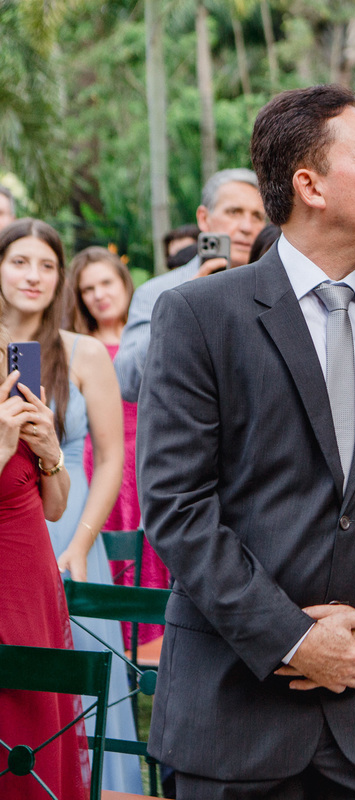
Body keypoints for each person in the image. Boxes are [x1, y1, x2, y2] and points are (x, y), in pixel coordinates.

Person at [138, 85, 355, 798]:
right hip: (235, 715)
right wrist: (293, 638)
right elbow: (176, 506)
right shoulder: (198, 316)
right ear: (309, 185)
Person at [0, 219, 140, 794]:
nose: (33, 276)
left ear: (61, 279)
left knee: (69, 693)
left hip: (64, 529)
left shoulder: (81, 352)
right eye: (19, 261)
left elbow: (109, 460)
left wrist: (81, 542)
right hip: (18, 534)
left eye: (47, 265)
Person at [66, 247, 167, 644]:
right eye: (87, 288)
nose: (98, 294)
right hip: (99, 465)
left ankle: (154, 641)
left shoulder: (146, 333)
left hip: (146, 460)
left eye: (105, 282)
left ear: (125, 283)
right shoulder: (77, 345)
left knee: (150, 556)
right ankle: (109, 639)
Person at [0, 337, 85, 800]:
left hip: (37, 604)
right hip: (4, 605)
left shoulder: (15, 407)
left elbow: (54, 509)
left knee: (39, 741)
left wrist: (50, 451)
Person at [114, 168, 267, 402]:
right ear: (204, 219)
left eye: (257, 216)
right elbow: (127, 381)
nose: (247, 227)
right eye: (234, 212)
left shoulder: (275, 290)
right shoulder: (156, 293)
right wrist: (178, 311)